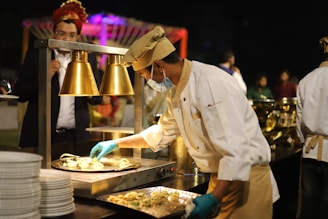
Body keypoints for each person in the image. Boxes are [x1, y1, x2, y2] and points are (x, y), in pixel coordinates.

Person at [89, 26, 279, 219]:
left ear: (158, 65)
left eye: (143, 74)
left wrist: (215, 197)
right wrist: (115, 143)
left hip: (246, 180)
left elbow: (236, 150)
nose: (146, 80)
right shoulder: (176, 92)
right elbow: (160, 133)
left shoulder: (210, 83)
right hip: (219, 179)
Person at [13, 0, 103, 153]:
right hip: (41, 135)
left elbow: (96, 99)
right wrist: (44, 76)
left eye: (72, 35)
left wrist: (87, 90)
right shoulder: (37, 55)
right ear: (53, 33)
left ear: (78, 37)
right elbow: (20, 93)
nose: (67, 40)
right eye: (62, 34)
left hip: (76, 137)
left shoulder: (88, 59)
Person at [295, 36, 328, 219]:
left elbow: (299, 119)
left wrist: (303, 140)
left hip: (310, 151)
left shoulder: (306, 80)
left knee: (309, 204)